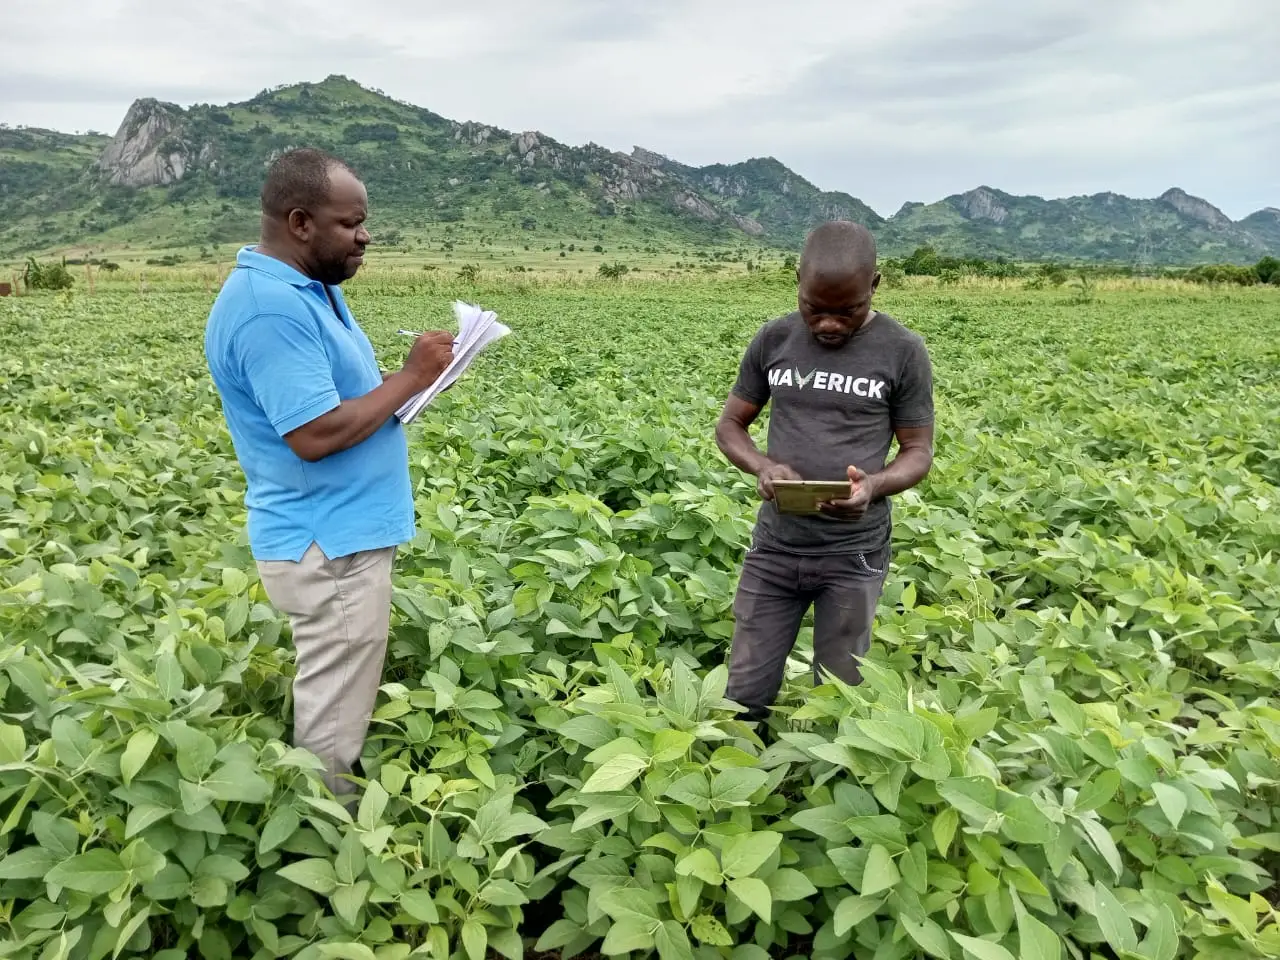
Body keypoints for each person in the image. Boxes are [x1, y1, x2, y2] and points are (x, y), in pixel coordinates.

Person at [204, 148, 454, 800]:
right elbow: (313, 435)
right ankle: (323, 841)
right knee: (334, 724)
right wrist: (409, 377)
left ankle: (321, 814)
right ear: (300, 222)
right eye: (351, 223)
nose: (365, 235)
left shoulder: (305, 291)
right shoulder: (271, 310)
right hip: (328, 541)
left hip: (339, 532)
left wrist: (407, 388)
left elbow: (340, 405)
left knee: (334, 697)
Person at [715, 220, 935, 721]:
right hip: (775, 547)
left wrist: (874, 486)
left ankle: (824, 777)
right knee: (744, 690)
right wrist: (764, 467)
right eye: (815, 309)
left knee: (839, 693)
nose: (830, 324)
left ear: (874, 286)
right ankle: (738, 782)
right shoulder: (774, 339)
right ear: (798, 282)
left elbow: (918, 450)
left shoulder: (903, 350)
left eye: (848, 311)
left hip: (852, 553)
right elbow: (730, 425)